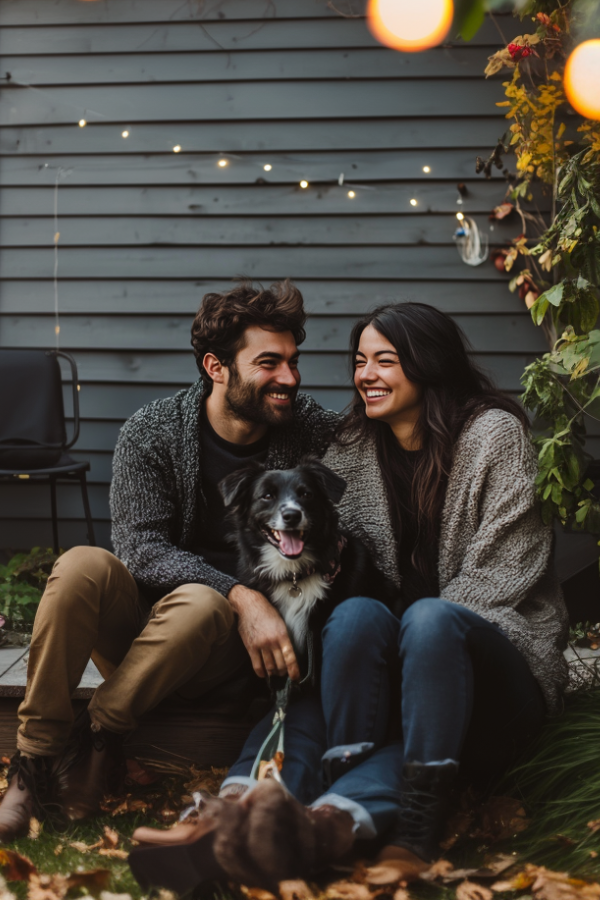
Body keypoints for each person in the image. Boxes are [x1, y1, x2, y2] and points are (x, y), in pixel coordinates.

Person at [130, 301, 569, 891]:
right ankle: (243, 817)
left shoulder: (493, 436)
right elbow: (310, 528)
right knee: (355, 621)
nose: (365, 374)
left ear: (428, 364)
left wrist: (403, 636)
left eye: (384, 360)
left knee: (429, 622)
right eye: (359, 360)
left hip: (491, 670)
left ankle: (408, 834)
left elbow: (504, 573)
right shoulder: (355, 446)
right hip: (397, 667)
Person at [0, 280, 339, 842]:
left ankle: (100, 737)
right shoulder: (152, 432)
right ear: (216, 366)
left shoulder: (312, 431)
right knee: (84, 562)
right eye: (270, 363)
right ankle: (32, 763)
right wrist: (242, 593)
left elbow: (377, 455)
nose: (290, 379)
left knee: (202, 602)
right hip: (142, 640)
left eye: (293, 362)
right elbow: (140, 550)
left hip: (223, 651)